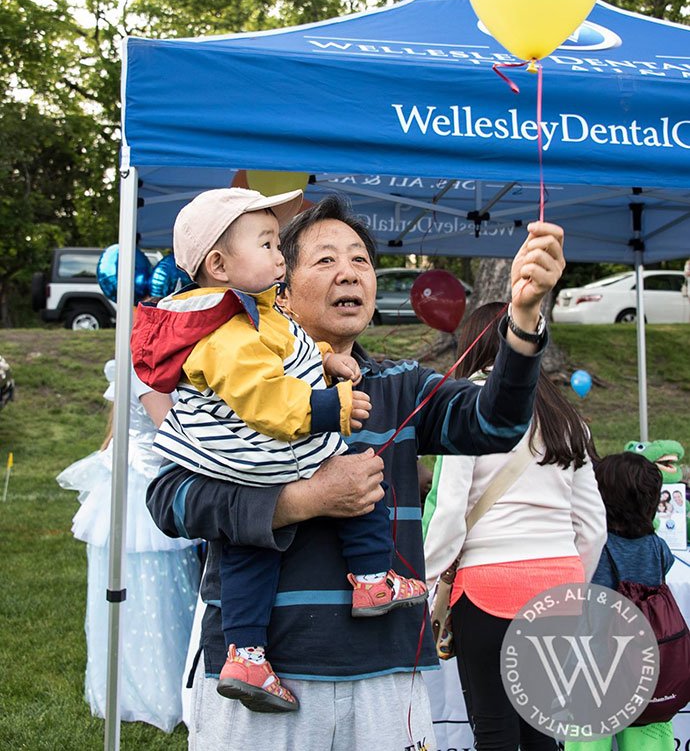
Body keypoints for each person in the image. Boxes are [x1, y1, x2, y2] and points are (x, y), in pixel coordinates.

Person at [146, 195, 566, 751]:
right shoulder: (231, 383)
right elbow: (169, 499)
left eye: (360, 260)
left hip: (387, 675)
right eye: (324, 260)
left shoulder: (402, 386)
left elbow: (495, 424)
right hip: (262, 680)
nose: (348, 272)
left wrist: (524, 318)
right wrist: (302, 499)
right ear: (281, 288)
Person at [132, 186, 427, 713]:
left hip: (251, 460)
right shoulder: (225, 332)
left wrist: (325, 358)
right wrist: (329, 411)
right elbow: (268, 394)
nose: (278, 259)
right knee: (353, 478)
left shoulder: (253, 313)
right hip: (256, 451)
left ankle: (248, 656)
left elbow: (284, 344)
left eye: (360, 258)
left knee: (258, 548)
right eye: (269, 245)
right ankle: (372, 579)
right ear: (220, 264)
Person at [423, 301, 607, 751]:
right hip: (559, 589)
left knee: (493, 730)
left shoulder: (466, 404)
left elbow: (448, 513)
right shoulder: (568, 419)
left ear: (474, 347)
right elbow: (593, 525)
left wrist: (426, 588)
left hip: (488, 587)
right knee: (544, 729)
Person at [57, 361, 201, 732]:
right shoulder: (144, 367)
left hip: (158, 481)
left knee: (168, 592)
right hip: (141, 488)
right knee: (147, 593)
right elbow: (173, 429)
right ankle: (155, 691)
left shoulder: (166, 362)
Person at [564, 452, 676, 751]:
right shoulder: (658, 547)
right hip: (645, 669)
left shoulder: (590, 548)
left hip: (593, 671)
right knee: (650, 743)